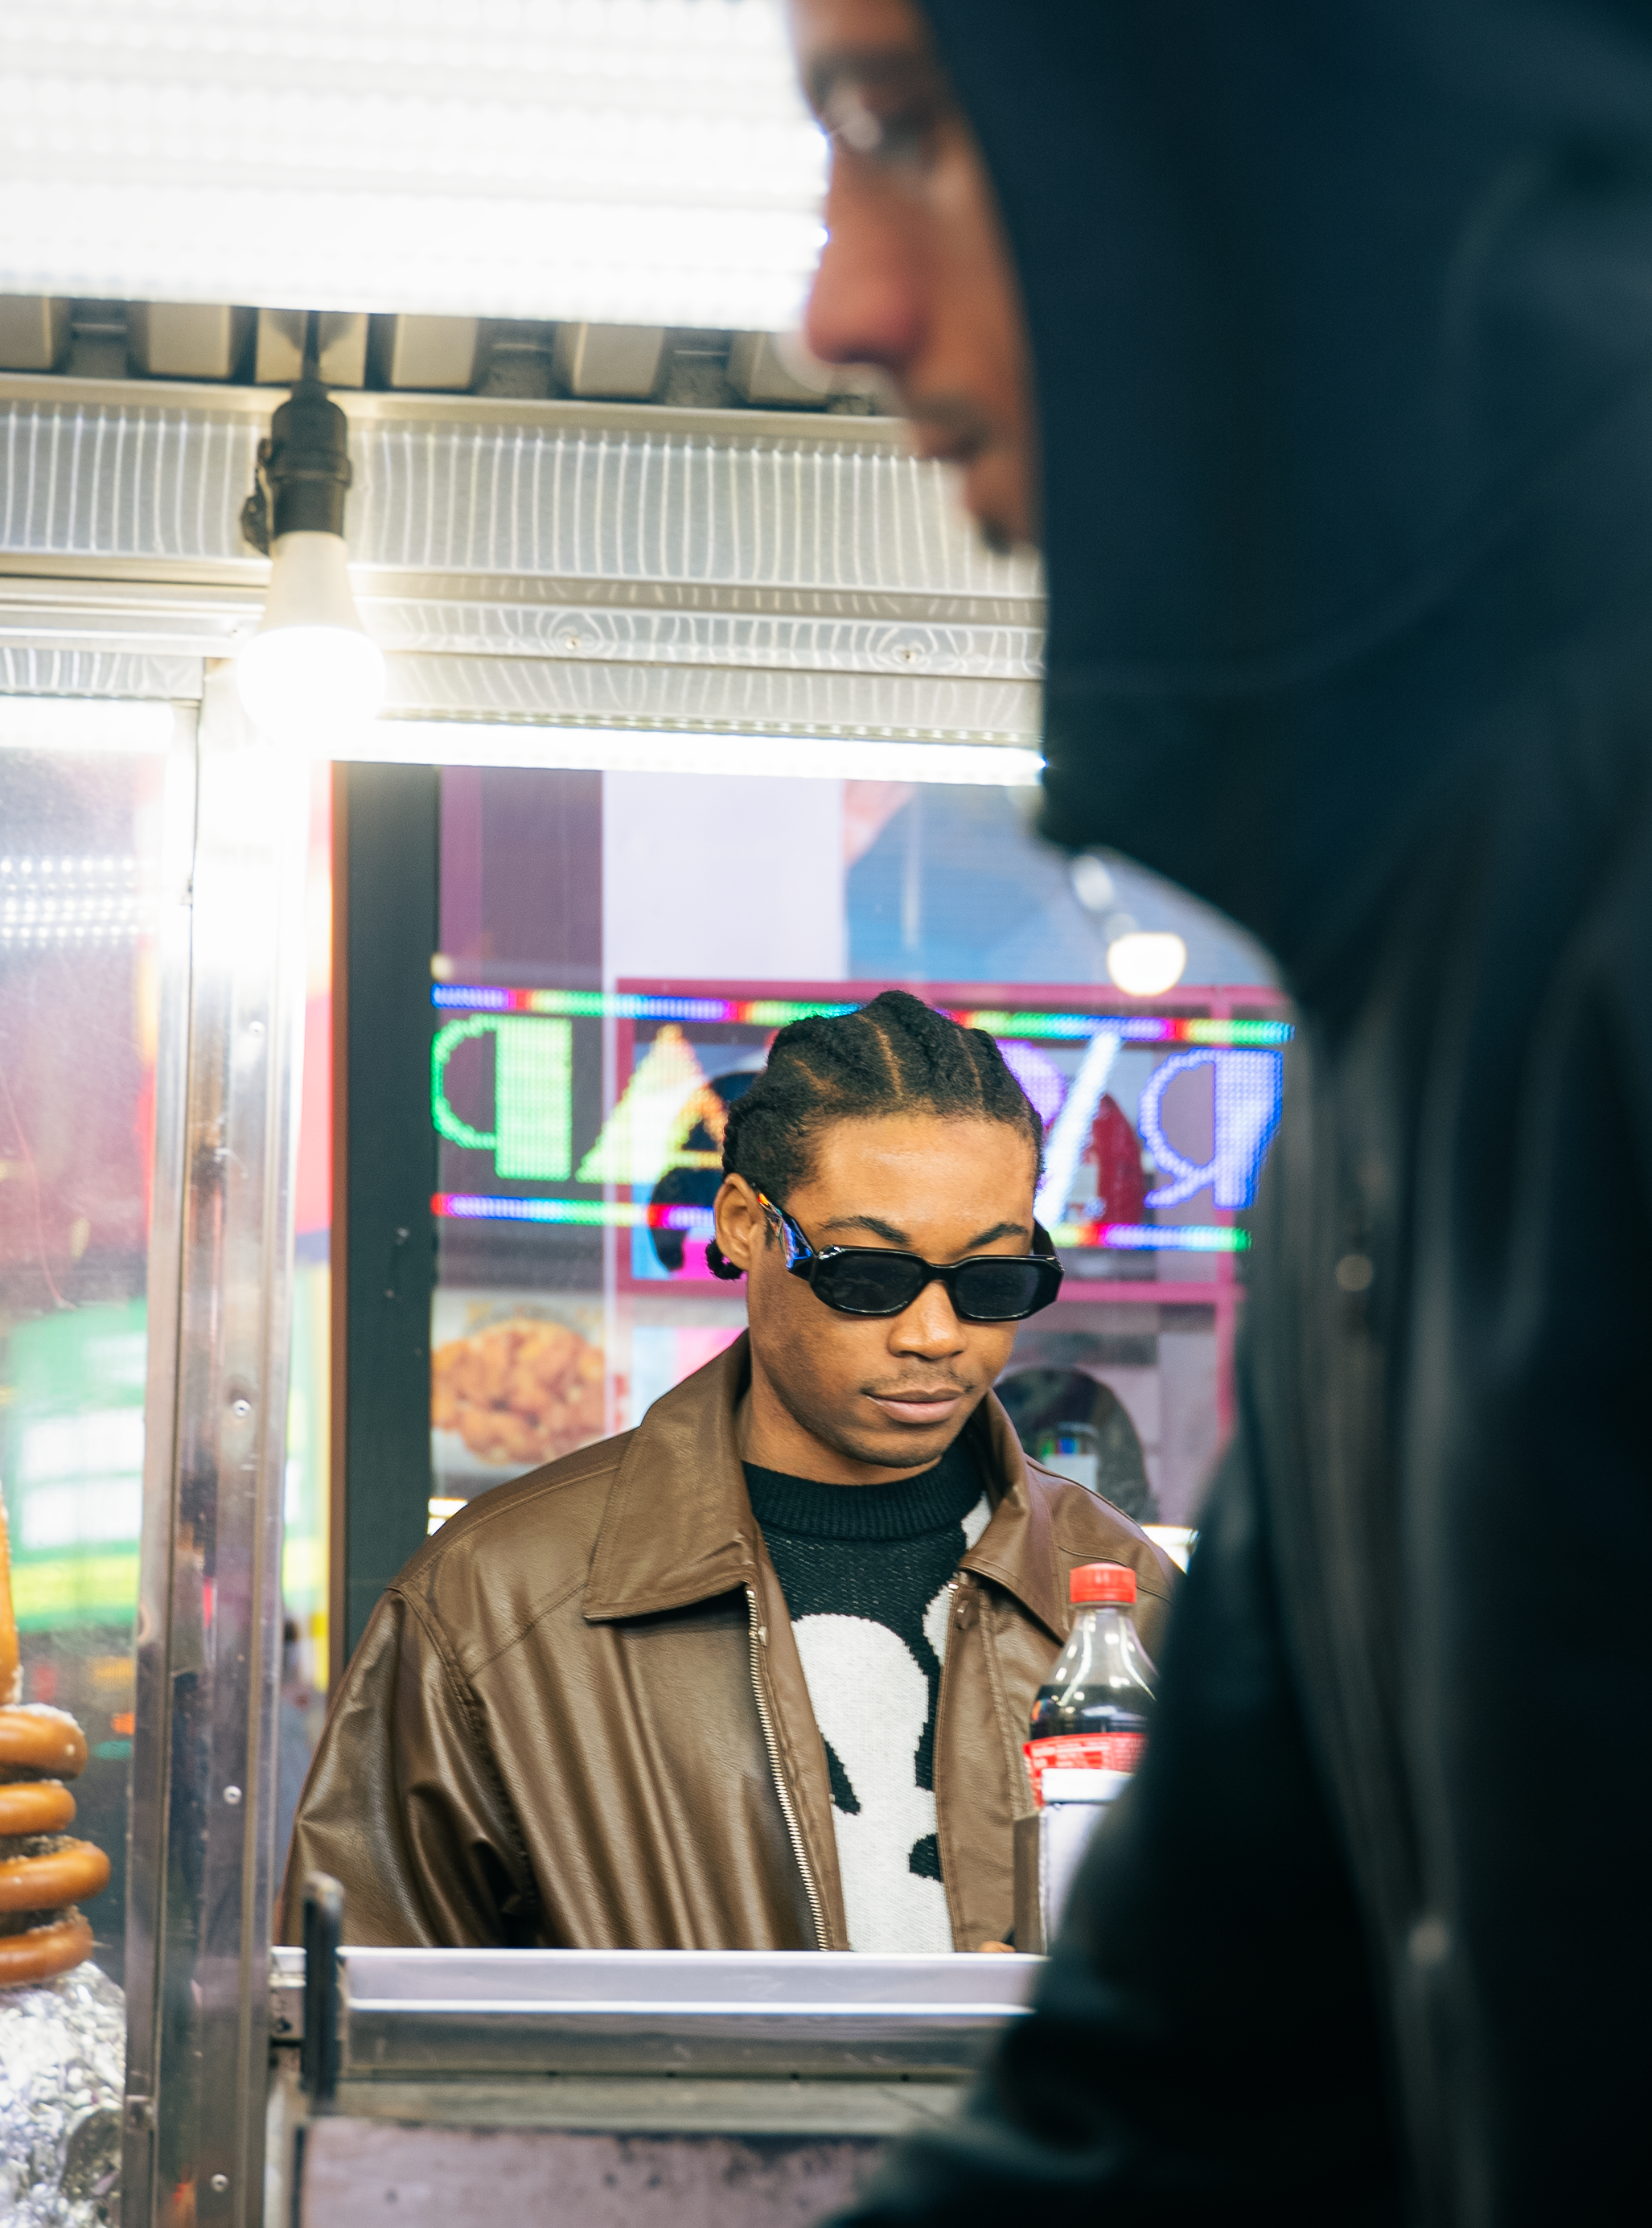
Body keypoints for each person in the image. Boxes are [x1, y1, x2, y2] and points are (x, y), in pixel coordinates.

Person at [790, 0, 1650, 2220]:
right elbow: (1204, 2080)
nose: (840, 306)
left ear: (1286, 118)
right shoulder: (1410, 1012)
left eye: (905, 122)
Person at [284, 991, 1173, 1951]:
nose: (934, 1335)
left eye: (995, 1283)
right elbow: (361, 2045)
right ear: (746, 1224)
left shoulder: (1135, 1608)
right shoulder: (493, 1604)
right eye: (867, 1276)